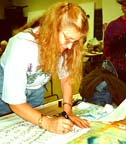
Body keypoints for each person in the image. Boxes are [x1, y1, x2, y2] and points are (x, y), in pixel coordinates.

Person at [0, 2, 90, 134]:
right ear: (52, 28)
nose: (70, 47)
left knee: (30, 129)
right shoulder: (21, 45)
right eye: (67, 39)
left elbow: (66, 79)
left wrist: (68, 112)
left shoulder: (64, 45)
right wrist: (47, 122)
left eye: (75, 41)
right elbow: (14, 101)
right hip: (4, 93)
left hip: (37, 89)